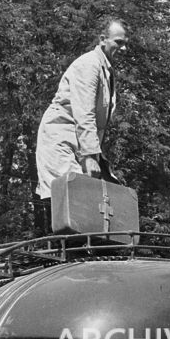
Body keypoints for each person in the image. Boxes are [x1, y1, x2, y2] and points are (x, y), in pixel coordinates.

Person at [35, 18, 129, 213]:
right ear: (103, 39)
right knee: (76, 201)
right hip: (60, 140)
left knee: (98, 202)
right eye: (118, 43)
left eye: (125, 43)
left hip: (78, 144)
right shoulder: (90, 65)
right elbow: (84, 113)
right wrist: (90, 156)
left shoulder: (107, 70)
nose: (123, 48)